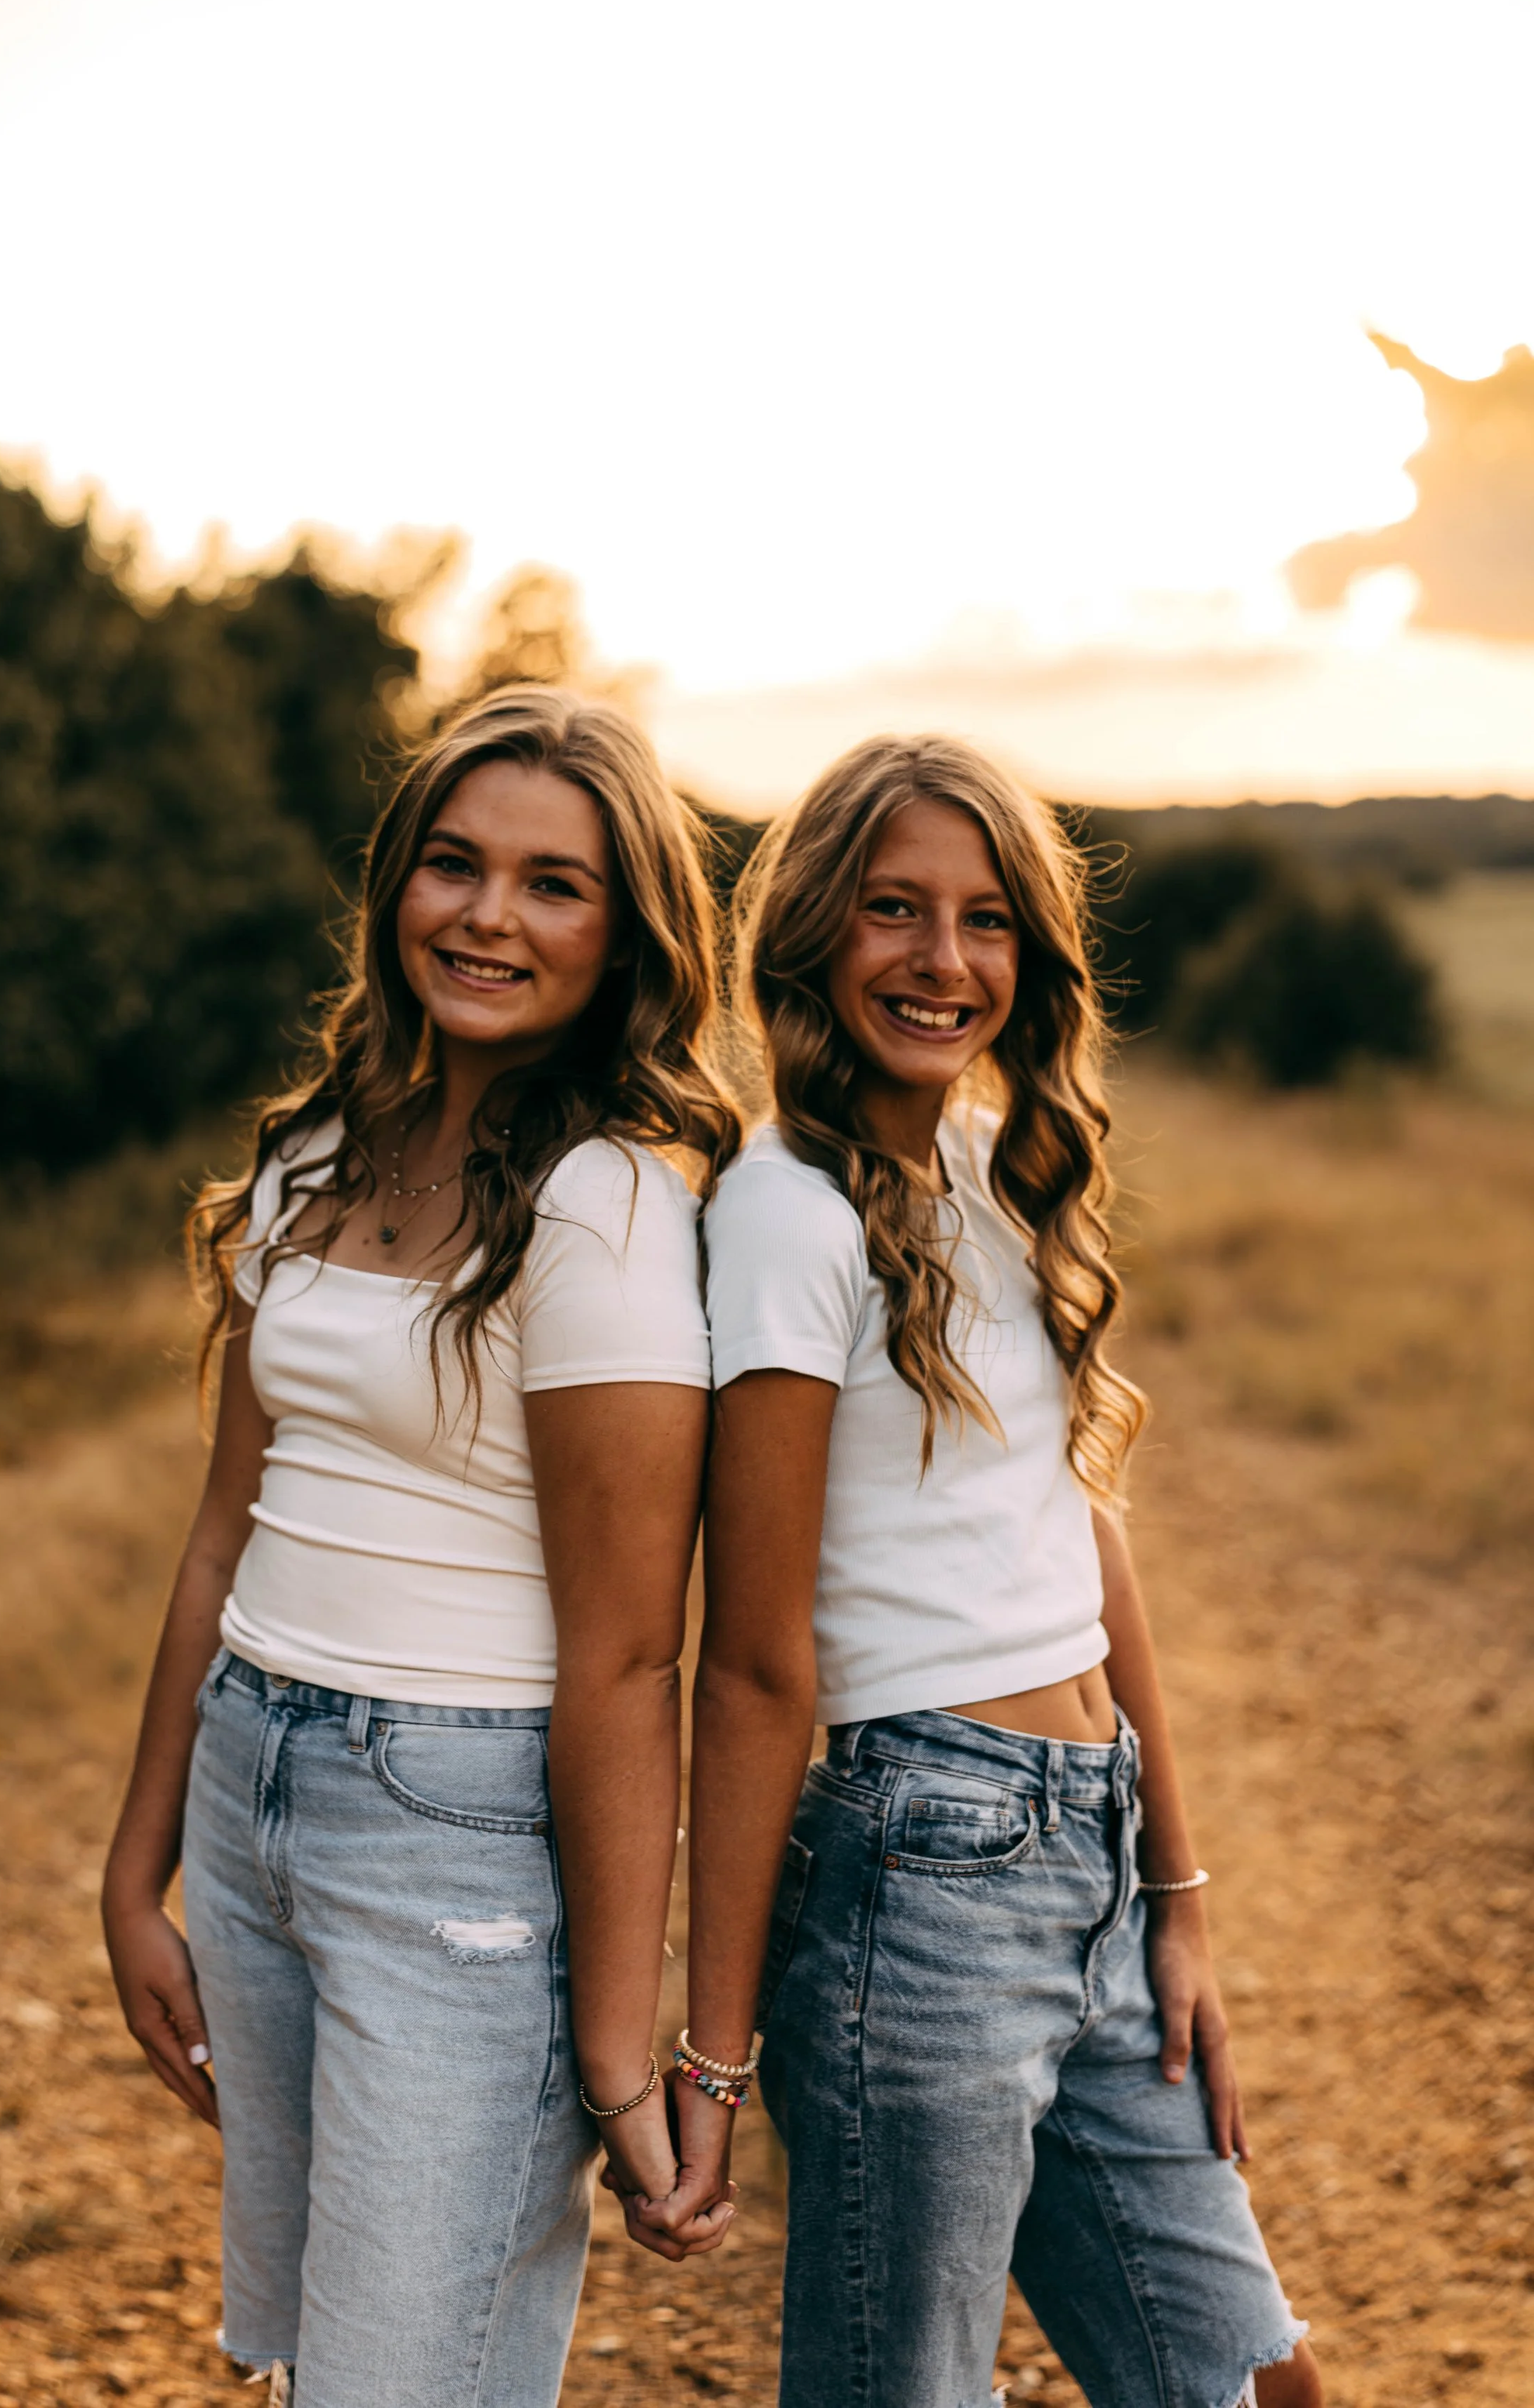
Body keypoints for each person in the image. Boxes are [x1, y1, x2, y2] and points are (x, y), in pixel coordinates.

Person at [658, 735, 1321, 2408]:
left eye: (984, 919)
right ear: (812, 930)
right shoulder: (785, 1214)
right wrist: (713, 2057)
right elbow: (751, 1662)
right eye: (892, 909)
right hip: (922, 1877)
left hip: (1086, 1851)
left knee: (1251, 2382)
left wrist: (1172, 1898)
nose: (941, 959)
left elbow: (1082, 1535)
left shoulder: (991, 1164)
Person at [102, 687, 739, 2408]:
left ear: (623, 939)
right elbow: (222, 1529)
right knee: (321, 2358)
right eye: (454, 865)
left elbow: (628, 1653)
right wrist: (137, 1873)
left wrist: (617, 2052)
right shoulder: (319, 1149)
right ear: (395, 885)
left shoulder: (604, 1205)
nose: (486, 916)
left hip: (453, 1830)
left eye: (553, 885)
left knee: (408, 2376)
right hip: (252, 1780)